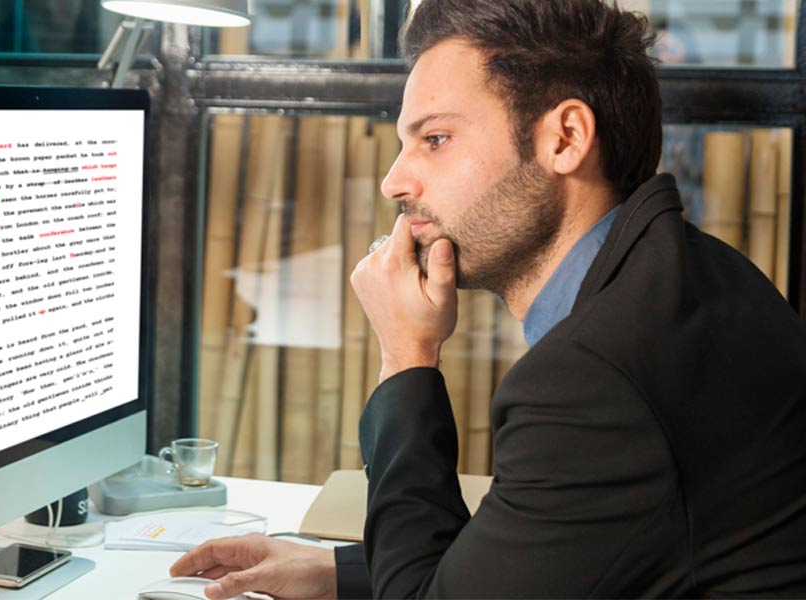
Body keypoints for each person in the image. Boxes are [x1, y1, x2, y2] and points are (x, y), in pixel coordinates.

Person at [169, 0, 806, 597]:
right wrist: (343, 571)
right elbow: (560, 546)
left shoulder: (598, 378)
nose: (394, 180)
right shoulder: (688, 275)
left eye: (436, 139)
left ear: (564, 139)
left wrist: (407, 358)